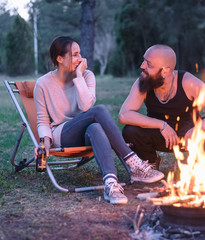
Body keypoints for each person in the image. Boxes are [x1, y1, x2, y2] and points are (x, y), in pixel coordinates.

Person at [33, 36, 164, 205]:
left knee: (95, 127)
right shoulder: (42, 84)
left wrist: (79, 76)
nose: (80, 59)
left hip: (87, 130)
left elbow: (86, 106)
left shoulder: (87, 76)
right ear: (59, 59)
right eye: (74, 55)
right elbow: (43, 120)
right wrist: (45, 142)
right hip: (62, 133)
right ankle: (134, 163)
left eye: (80, 53)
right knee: (99, 111)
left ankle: (111, 185)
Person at [119, 44, 205, 170]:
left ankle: (200, 165)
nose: (142, 66)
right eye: (144, 61)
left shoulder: (187, 82)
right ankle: (151, 163)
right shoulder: (143, 82)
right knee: (130, 131)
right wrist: (161, 125)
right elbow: (124, 115)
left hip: (190, 136)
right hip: (161, 136)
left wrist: (198, 129)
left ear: (165, 71)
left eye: (149, 64)